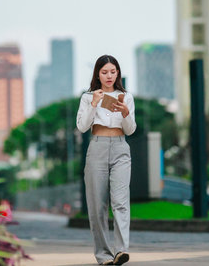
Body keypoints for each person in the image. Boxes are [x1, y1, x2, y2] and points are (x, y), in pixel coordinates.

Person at [76, 54, 136, 265]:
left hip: (120, 148)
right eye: (104, 72)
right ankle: (103, 256)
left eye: (113, 71)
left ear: (117, 72)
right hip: (97, 148)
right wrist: (94, 103)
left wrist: (126, 113)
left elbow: (130, 129)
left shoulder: (126, 96)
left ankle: (121, 250)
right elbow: (82, 127)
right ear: (98, 74)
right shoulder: (88, 97)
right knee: (97, 205)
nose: (109, 76)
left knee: (120, 202)